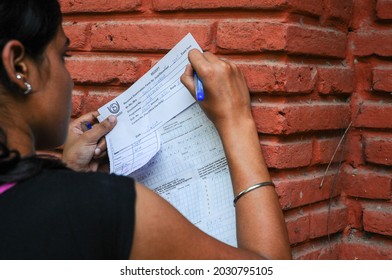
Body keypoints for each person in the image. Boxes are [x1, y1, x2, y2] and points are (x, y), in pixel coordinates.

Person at [0, 0, 291, 259]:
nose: (69, 79)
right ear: (19, 66)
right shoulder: (107, 206)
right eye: (63, 56)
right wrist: (236, 121)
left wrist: (68, 175)